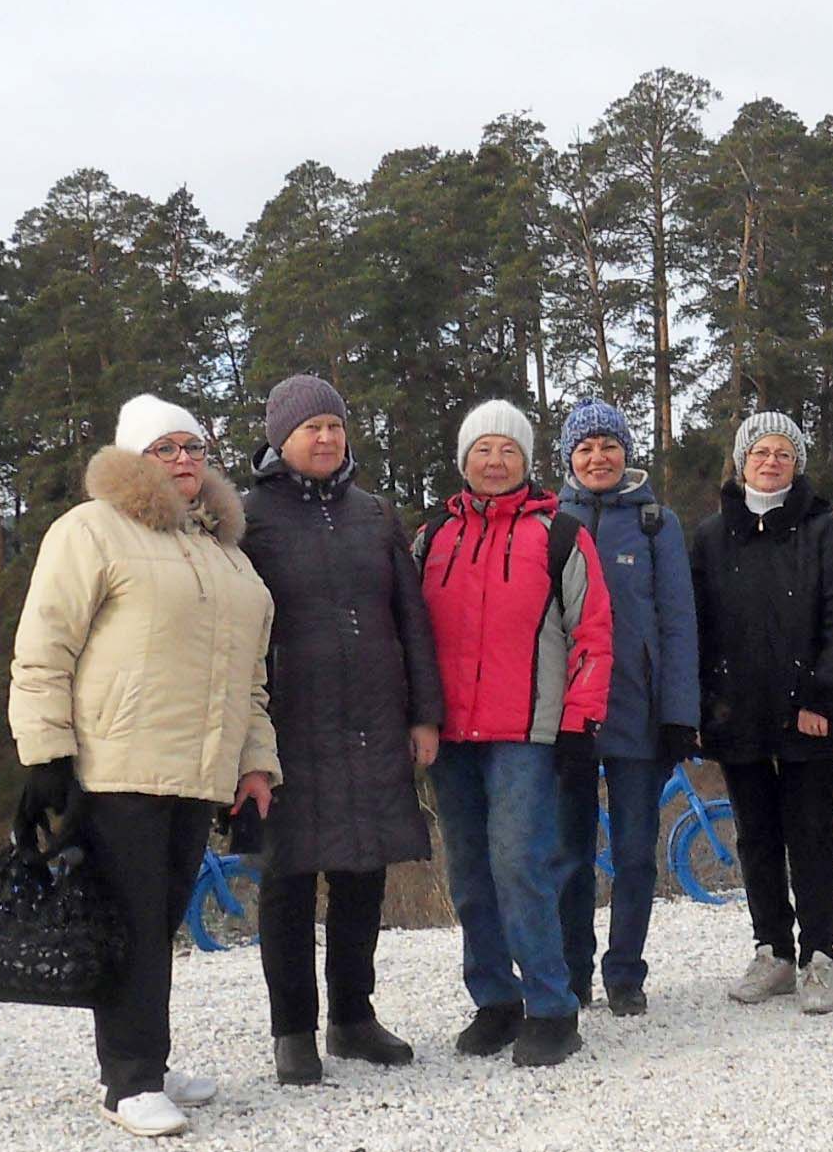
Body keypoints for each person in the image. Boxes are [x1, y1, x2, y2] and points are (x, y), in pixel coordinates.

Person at [8, 394, 279, 1140]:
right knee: (126, 919)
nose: (184, 459)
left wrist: (254, 765)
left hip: (198, 769)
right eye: (165, 448)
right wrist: (46, 751)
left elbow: (249, 677)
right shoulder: (90, 531)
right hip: (119, 762)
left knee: (158, 919)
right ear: (134, 458)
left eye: (192, 445)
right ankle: (128, 1080)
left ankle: (146, 1063)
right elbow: (44, 645)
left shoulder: (224, 551)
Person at [234, 375, 440, 1085]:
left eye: (334, 425)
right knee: (287, 878)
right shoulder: (247, 516)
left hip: (375, 718)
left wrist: (423, 713)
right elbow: (235, 633)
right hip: (288, 724)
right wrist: (242, 736)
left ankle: (352, 1016)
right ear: (278, 437)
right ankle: (292, 1029)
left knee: (363, 871)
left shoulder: (374, 513)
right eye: (309, 427)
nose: (325, 438)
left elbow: (410, 619)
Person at [413, 399, 613, 1069]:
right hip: (451, 736)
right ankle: (494, 998)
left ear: (526, 460)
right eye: (482, 449)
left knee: (519, 865)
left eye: (507, 450)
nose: (494, 461)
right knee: (468, 872)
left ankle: (552, 1005)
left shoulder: (559, 534)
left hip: (526, 731)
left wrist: (580, 720)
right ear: (463, 459)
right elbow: (409, 635)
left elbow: (592, 634)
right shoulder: (432, 535)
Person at [689, 411, 833, 1018]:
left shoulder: (823, 531)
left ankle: (821, 955)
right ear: (740, 462)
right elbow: (696, 627)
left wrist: (824, 697)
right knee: (756, 837)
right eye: (760, 452)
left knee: (811, 834)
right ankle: (773, 950)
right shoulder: (712, 536)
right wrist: (703, 702)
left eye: (783, 453)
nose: (771, 462)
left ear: (797, 464)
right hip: (737, 713)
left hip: (807, 715)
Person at [550, 398, 700, 1018]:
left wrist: (680, 715)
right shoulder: (550, 520)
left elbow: (679, 622)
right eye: (584, 448)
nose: (597, 457)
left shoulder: (655, 522)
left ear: (625, 452)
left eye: (607, 445)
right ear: (568, 459)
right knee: (568, 853)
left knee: (636, 852)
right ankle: (573, 970)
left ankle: (625, 972)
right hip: (568, 719)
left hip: (640, 713)